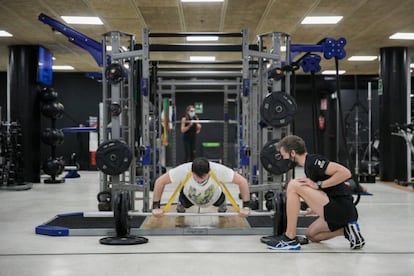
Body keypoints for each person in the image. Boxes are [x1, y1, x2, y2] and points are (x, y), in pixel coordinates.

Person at [265, 135, 365, 250]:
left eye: (284, 156)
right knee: (312, 235)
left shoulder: (313, 161)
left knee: (293, 185)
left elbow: (345, 173)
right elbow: (327, 190)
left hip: (342, 209)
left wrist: (318, 185)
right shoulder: (308, 167)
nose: (284, 159)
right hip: (342, 212)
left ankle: (289, 238)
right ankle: (346, 231)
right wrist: (314, 206)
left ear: (292, 153)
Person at [152, 157, 251, 218]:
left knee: (221, 202)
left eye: (202, 177)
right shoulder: (184, 170)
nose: (199, 180)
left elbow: (242, 182)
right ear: (192, 172)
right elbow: (160, 182)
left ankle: (222, 205)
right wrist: (156, 206)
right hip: (189, 197)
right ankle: (181, 205)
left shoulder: (218, 169)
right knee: (182, 202)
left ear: (209, 171)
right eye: (197, 177)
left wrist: (246, 206)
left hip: (214, 197)